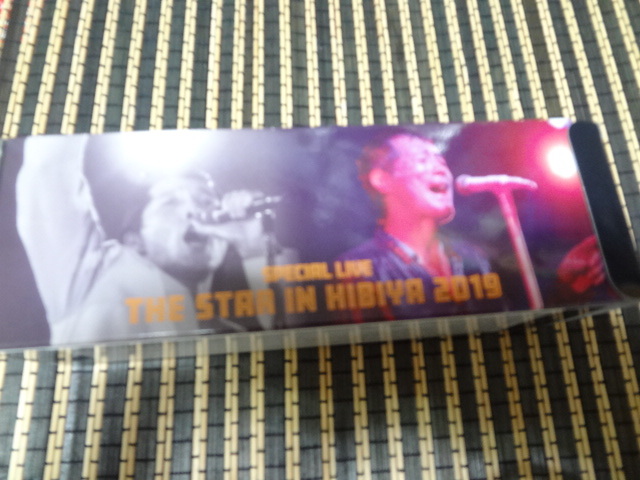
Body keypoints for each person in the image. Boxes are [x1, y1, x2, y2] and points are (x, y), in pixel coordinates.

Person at [16, 134, 276, 345]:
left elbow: (287, 357)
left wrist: (253, 249)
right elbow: (48, 167)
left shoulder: (229, 336)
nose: (195, 212)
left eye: (206, 201)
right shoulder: (91, 274)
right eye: (170, 202)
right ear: (135, 241)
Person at [338, 129, 605, 321]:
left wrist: (565, 290)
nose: (441, 169)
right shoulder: (358, 269)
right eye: (423, 159)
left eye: (441, 160)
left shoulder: (472, 258)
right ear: (382, 180)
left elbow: (511, 331)